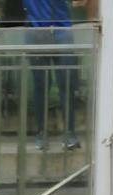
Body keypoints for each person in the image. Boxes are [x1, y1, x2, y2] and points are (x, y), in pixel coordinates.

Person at [25, 0, 81, 150]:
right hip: (35, 29)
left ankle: (70, 133)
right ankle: (41, 133)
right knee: (41, 84)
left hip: (62, 30)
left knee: (66, 82)